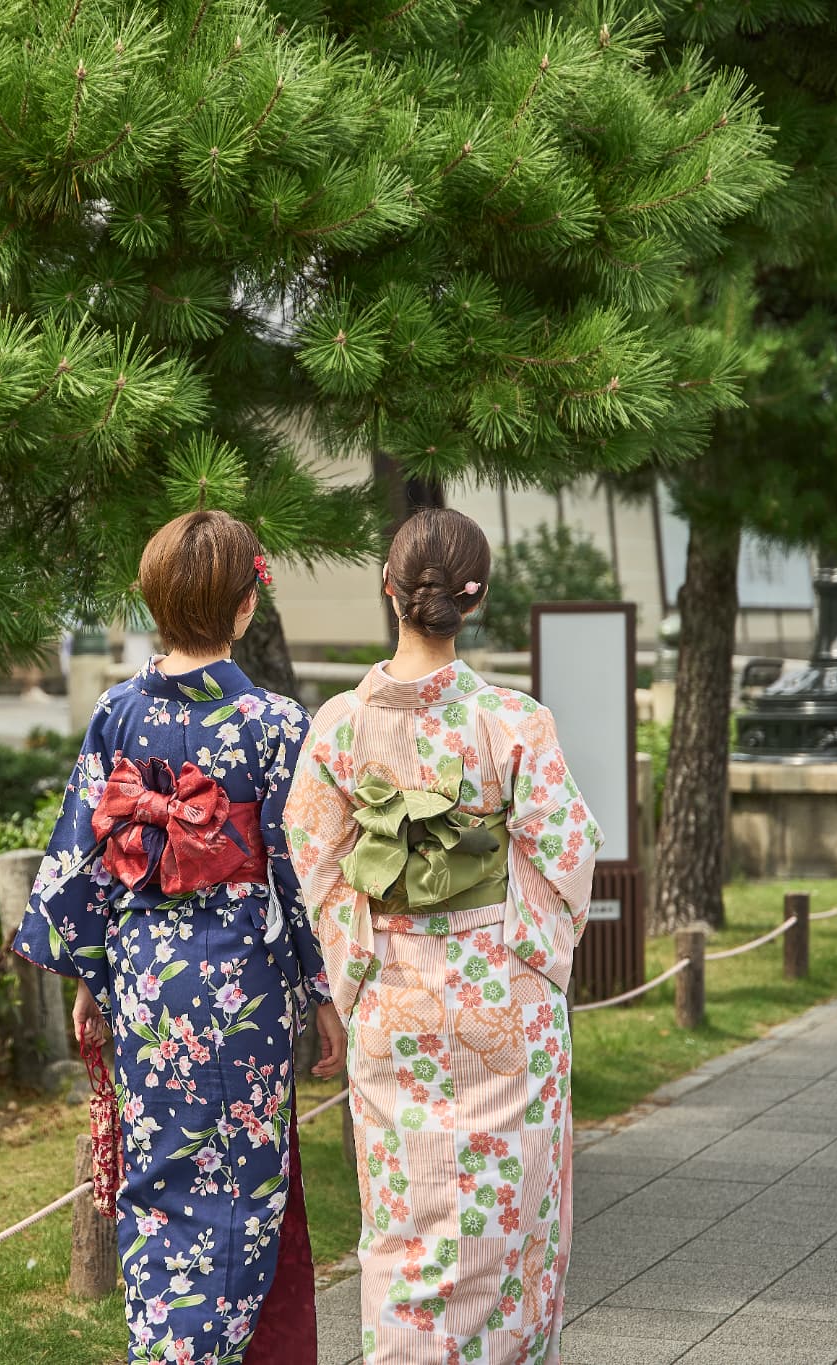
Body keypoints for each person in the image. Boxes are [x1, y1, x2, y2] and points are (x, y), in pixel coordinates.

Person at [12, 509, 347, 1365]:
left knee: (158, 1185)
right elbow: (299, 873)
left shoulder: (117, 712)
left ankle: (161, 1344)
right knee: (241, 1188)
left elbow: (88, 857)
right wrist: (326, 993)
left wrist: (91, 980)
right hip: (242, 982)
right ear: (246, 606)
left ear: (154, 603)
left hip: (146, 979)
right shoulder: (273, 721)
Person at [281, 508, 601, 1365]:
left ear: (389, 589)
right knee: (512, 1221)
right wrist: (524, 955)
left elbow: (314, 857)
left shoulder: (340, 727)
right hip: (503, 996)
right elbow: (568, 851)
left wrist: (356, 970)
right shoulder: (514, 721)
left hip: (392, 994)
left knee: (406, 1219)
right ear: (476, 598)